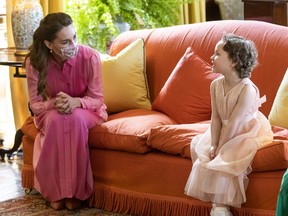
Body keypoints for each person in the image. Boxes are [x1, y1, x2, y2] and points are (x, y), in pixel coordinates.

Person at [24, 12, 107, 210]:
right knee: (55, 119)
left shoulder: (90, 57)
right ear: (48, 44)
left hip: (87, 110)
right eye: (65, 42)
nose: (73, 46)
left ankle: (75, 192)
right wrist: (54, 103)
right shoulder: (34, 62)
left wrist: (76, 101)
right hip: (52, 111)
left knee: (74, 118)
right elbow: (35, 104)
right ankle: (55, 191)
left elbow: (97, 99)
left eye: (74, 38)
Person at [184, 34, 274, 216]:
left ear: (233, 62)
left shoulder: (247, 89)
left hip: (244, 130)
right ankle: (216, 204)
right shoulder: (215, 85)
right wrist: (213, 144)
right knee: (203, 151)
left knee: (227, 158)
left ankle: (221, 207)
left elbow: (234, 123)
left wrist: (222, 148)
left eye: (217, 54)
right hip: (224, 128)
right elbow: (216, 118)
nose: (211, 57)